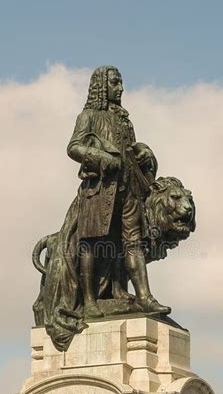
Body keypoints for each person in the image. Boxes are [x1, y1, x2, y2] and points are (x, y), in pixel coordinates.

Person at [67, 65, 170, 318]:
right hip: (99, 189)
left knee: (133, 243)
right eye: (115, 83)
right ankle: (90, 302)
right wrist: (100, 156)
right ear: (102, 86)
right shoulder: (88, 116)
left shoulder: (125, 120)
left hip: (128, 189)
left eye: (121, 83)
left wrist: (142, 152)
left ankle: (145, 297)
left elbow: (129, 150)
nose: (120, 88)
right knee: (91, 244)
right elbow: (74, 147)